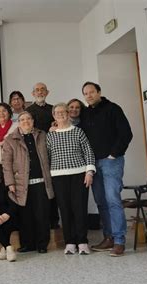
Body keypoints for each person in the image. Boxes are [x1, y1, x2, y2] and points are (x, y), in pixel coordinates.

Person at [80, 81, 133, 257]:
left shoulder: (113, 109)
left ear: (99, 92)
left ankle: (119, 241)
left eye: (91, 92)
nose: (89, 95)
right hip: (94, 164)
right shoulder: (85, 113)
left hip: (111, 161)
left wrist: (114, 153)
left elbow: (126, 133)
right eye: (85, 93)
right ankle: (108, 237)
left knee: (112, 199)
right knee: (101, 201)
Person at [46, 103, 96, 255]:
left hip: (79, 174)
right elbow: (47, 156)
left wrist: (89, 172)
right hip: (58, 176)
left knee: (79, 209)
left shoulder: (78, 131)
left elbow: (88, 151)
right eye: (57, 112)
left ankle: (82, 242)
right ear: (54, 116)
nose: (60, 114)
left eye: (63, 111)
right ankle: (70, 242)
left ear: (68, 114)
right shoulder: (51, 135)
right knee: (65, 210)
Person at [2, 111, 54, 254]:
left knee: (42, 214)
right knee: (25, 216)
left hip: (42, 182)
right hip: (21, 184)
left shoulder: (42, 135)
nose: (26, 121)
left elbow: (50, 154)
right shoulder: (10, 139)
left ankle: (42, 244)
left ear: (33, 121)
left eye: (28, 119)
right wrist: (10, 183)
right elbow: (6, 164)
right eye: (22, 119)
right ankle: (27, 244)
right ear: (18, 122)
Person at [26, 82, 59, 229]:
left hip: (53, 154)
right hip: (35, 155)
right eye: (37, 90)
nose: (40, 92)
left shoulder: (53, 110)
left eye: (42, 90)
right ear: (33, 94)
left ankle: (53, 221)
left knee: (52, 187)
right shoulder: (28, 111)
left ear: (47, 92)